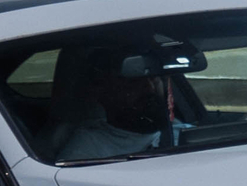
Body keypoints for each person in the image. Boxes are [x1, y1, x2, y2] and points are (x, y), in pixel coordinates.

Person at [50, 47, 188, 162]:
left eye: (153, 78)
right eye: (133, 82)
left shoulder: (186, 132)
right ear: (102, 93)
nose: (149, 88)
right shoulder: (86, 152)